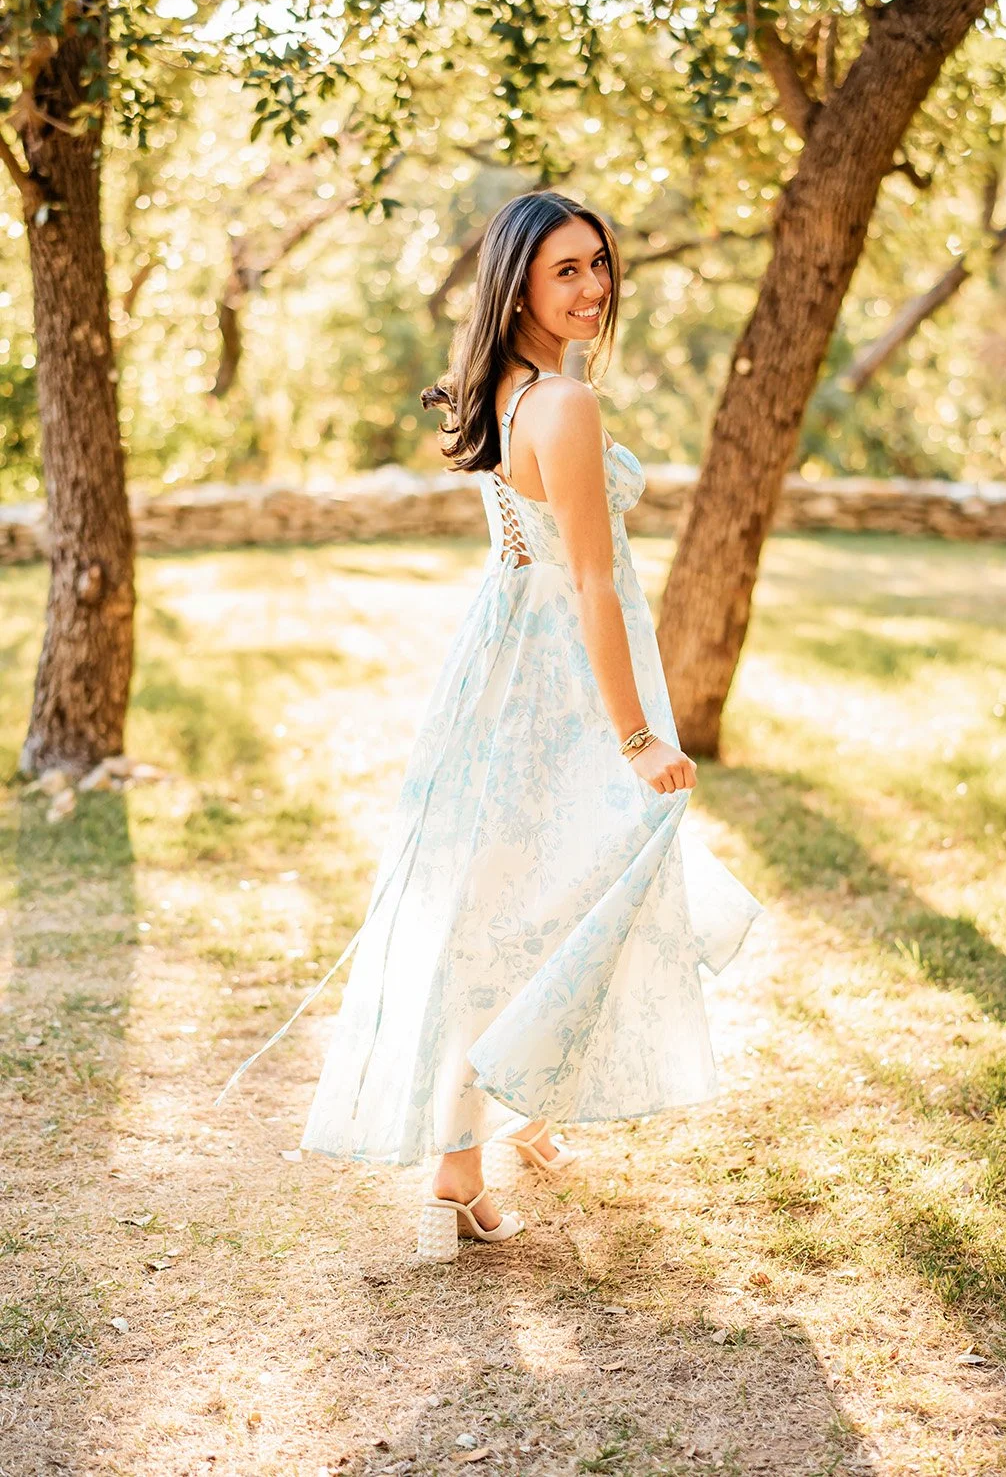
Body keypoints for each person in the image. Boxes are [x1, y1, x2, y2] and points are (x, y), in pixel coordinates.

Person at [215, 190, 763, 1262]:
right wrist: (637, 735)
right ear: (517, 279)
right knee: (568, 895)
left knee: (528, 897)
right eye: (567, 269)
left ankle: (520, 1114)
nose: (594, 288)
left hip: (507, 663)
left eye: (600, 265)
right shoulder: (564, 408)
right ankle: (460, 1166)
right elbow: (594, 583)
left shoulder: (512, 390)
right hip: (562, 679)